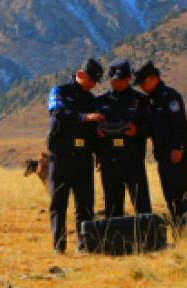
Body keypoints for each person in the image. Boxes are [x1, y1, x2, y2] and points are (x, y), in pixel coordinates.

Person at [46, 58, 104, 254]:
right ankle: (59, 248)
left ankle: (85, 246)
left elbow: (94, 130)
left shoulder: (91, 100)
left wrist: (98, 153)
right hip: (61, 155)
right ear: (80, 75)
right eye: (91, 80)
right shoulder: (59, 91)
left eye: (95, 82)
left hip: (83, 157)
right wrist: (83, 117)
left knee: (85, 205)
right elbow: (58, 113)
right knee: (59, 203)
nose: (92, 85)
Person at [133, 60, 187, 236]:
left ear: (154, 79)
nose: (141, 87)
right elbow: (150, 128)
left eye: (143, 83)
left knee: (180, 199)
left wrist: (178, 148)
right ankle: (178, 234)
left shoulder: (170, 97)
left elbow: (180, 126)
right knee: (170, 198)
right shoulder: (150, 101)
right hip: (162, 156)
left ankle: (186, 236)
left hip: (176, 156)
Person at [96, 59, 152, 218]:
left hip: (133, 160)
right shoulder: (101, 101)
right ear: (110, 79)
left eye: (122, 79)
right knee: (112, 206)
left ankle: (146, 233)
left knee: (141, 204)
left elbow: (151, 127)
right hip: (109, 161)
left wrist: (136, 130)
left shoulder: (140, 100)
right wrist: (98, 133)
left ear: (129, 78)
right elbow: (92, 129)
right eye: (115, 80)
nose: (119, 83)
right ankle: (116, 234)